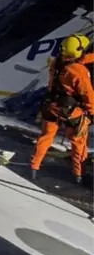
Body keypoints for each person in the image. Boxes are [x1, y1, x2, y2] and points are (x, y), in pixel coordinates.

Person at [30, 33, 94, 184]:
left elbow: (80, 59)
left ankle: (34, 167)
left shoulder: (57, 61)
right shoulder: (79, 72)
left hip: (51, 106)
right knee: (78, 142)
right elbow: (88, 95)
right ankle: (79, 174)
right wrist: (92, 113)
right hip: (72, 112)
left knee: (46, 137)